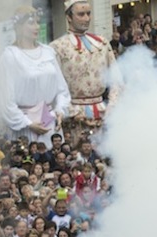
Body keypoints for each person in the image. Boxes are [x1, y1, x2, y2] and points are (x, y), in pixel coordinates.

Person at [50, 0, 121, 147]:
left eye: (88, 13)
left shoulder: (102, 42)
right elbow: (52, 88)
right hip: (72, 117)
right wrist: (70, 111)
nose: (87, 18)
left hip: (103, 113)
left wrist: (111, 107)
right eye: (81, 14)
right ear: (69, 17)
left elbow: (117, 79)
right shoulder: (57, 47)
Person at [0, 7, 70, 145]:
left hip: (50, 121)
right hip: (26, 126)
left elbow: (62, 90)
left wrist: (59, 110)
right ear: (19, 26)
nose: (36, 27)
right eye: (31, 23)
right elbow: (6, 100)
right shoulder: (11, 56)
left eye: (37, 22)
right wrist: (28, 123)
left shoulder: (48, 52)